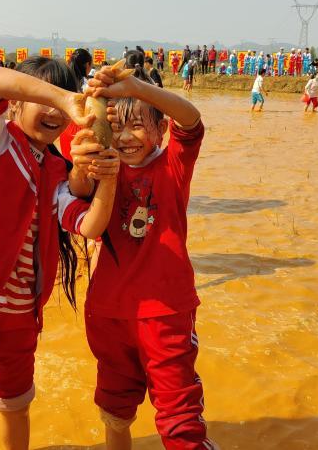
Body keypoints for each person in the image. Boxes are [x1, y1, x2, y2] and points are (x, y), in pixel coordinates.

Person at [0, 57, 120, 450]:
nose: (55, 113)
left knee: (16, 405)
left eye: (64, 105)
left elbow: (88, 226)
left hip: (19, 318)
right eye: (44, 100)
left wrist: (105, 176)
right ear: (15, 102)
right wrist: (65, 98)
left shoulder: (55, 168)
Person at [80, 63, 217, 450]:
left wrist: (137, 87)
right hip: (107, 312)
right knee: (114, 408)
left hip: (165, 313)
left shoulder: (173, 165)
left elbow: (191, 120)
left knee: (179, 417)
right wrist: (95, 96)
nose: (125, 137)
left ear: (161, 129)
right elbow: (77, 143)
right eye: (117, 127)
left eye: (138, 125)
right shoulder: (101, 167)